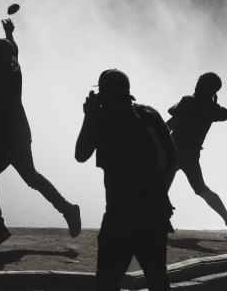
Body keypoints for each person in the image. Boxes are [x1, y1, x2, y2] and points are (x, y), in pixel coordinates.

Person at [0, 18, 81, 250]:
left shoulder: (0, 78)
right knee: (31, 177)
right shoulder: (13, 67)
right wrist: (9, 34)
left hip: (6, 137)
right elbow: (14, 50)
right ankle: (67, 209)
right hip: (18, 133)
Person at [75, 69, 176, 291]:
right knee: (157, 278)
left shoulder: (103, 118)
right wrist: (161, 195)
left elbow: (80, 154)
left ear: (103, 93)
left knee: (107, 282)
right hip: (149, 213)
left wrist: (89, 116)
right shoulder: (149, 113)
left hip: (121, 216)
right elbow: (172, 161)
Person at [166, 72, 227, 242]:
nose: (197, 85)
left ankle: (153, 221)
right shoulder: (212, 109)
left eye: (200, 83)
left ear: (204, 87)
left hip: (173, 152)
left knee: (157, 186)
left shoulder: (188, 101)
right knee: (201, 190)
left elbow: (171, 118)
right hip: (190, 155)